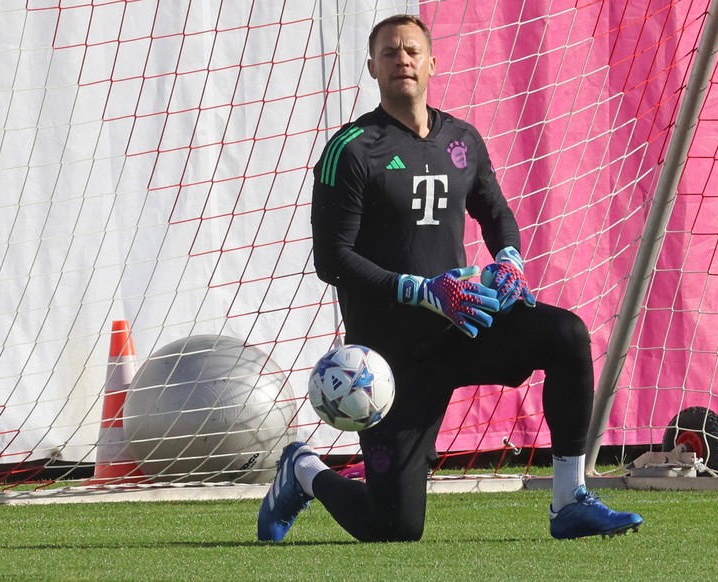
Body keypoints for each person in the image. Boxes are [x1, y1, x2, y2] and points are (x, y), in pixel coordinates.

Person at [257, 13, 643, 543]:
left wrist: (509, 259)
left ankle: (569, 499)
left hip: (464, 326)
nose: (402, 60)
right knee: (393, 527)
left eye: (412, 50)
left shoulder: (462, 139)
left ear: (433, 63)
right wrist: (421, 290)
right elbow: (332, 259)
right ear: (372, 67)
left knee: (567, 336)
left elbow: (496, 212)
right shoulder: (351, 150)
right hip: (394, 359)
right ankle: (303, 470)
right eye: (389, 52)